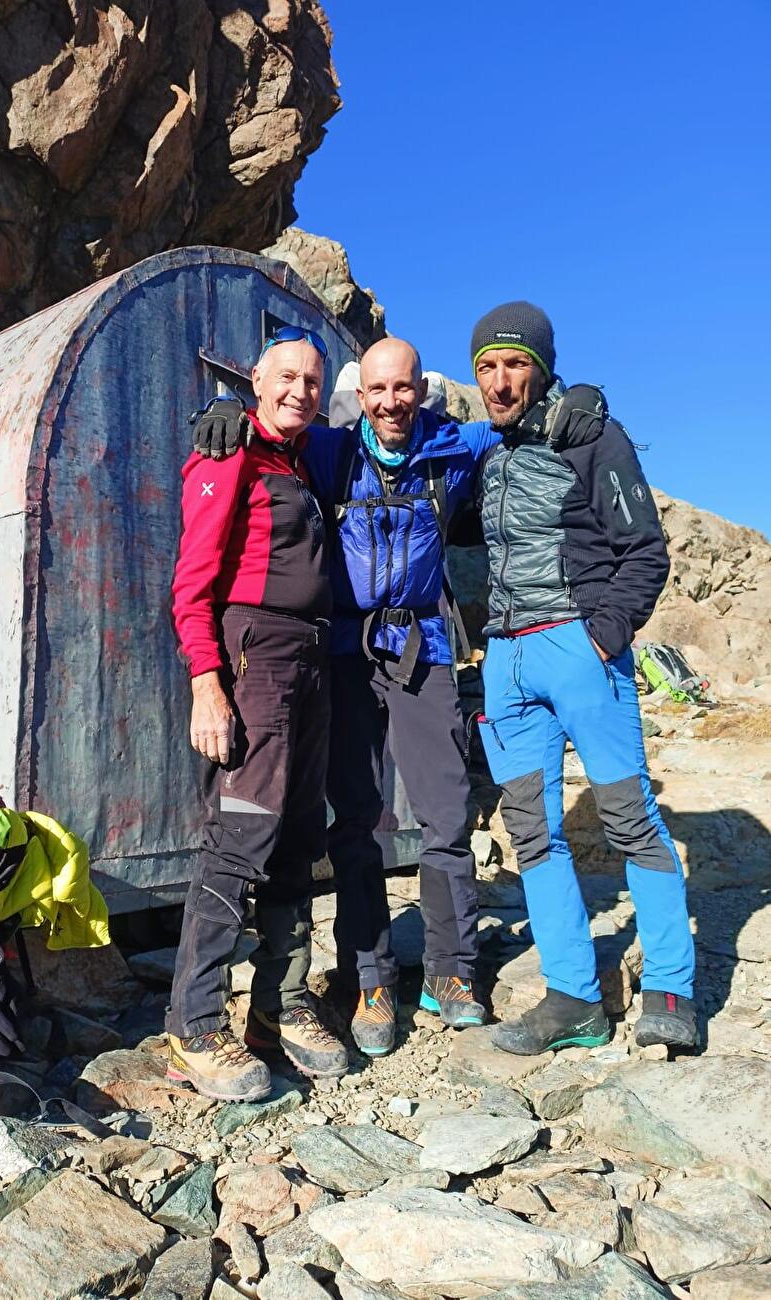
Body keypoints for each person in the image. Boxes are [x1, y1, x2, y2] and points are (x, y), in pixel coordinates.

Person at [193, 336, 499, 1057]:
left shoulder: (455, 447)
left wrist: (577, 408)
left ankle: (452, 973)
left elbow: (518, 421)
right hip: (346, 653)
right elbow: (276, 429)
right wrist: (223, 411)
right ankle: (369, 980)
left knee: (446, 812)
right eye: (377, 390)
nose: (392, 402)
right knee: (357, 819)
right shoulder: (333, 451)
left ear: (422, 390)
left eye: (405, 389)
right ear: (360, 397)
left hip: (421, 649)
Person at [466, 301, 697, 1053]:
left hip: (577, 649)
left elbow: (644, 551)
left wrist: (600, 638)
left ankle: (669, 987)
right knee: (531, 832)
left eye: (515, 364)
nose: (500, 382)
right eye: (486, 368)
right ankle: (573, 1000)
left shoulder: (594, 435)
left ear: (540, 365)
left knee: (630, 819)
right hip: (505, 660)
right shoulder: (484, 453)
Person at [166, 325, 348, 1102]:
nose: (300, 390)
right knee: (241, 833)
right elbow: (191, 580)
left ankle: (277, 1004)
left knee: (301, 835)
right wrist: (208, 683)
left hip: (308, 657)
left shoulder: (300, 460)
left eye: (312, 379)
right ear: (255, 380)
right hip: (255, 654)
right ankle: (193, 1024)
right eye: (285, 376)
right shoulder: (228, 451)